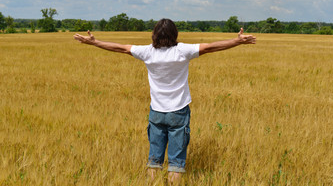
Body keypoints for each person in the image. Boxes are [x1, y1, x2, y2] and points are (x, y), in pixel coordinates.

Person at [73, 18, 256, 185]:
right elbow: (210, 47)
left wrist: (95, 42)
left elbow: (121, 48)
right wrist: (237, 41)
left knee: (154, 158)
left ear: (154, 35)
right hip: (178, 112)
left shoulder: (147, 52)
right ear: (174, 34)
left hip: (156, 113)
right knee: (176, 162)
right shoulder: (182, 51)